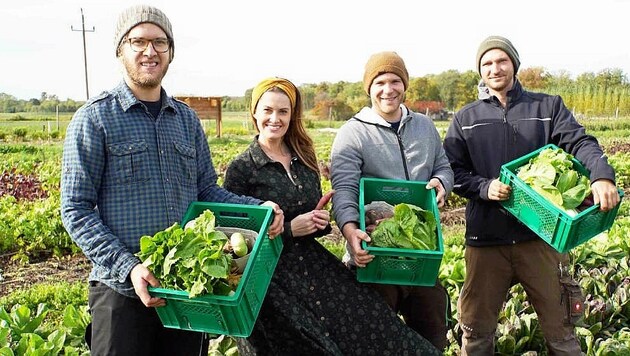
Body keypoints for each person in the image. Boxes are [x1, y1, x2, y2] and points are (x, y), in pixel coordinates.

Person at [60, 5, 283, 356]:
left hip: (187, 291)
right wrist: (129, 266)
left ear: (170, 52)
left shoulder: (186, 120)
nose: (150, 51)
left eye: (160, 42)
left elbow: (207, 190)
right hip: (121, 291)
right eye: (138, 41)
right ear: (121, 50)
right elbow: (75, 209)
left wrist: (261, 208)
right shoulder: (95, 119)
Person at [223, 77, 441, 355]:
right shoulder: (243, 168)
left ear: (292, 115)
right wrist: (289, 229)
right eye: (267, 110)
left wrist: (319, 222)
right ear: (254, 113)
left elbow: (312, 216)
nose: (275, 119)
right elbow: (233, 242)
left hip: (313, 267)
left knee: (378, 328)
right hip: (271, 280)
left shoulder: (302, 157)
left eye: (283, 111)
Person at [443, 35, 621, 355]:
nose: (494, 69)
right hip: (486, 241)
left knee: (562, 332)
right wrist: (484, 187)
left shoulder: (547, 106)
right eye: (487, 63)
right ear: (479, 71)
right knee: (476, 333)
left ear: (514, 64)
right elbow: (451, 170)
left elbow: (581, 143)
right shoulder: (465, 118)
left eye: (501, 61)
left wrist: (602, 176)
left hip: (541, 238)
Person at [330, 51, 455, 351]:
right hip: (376, 255)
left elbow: (443, 166)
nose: (388, 89)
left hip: (420, 254)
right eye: (380, 82)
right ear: (369, 88)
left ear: (405, 85)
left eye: (395, 81)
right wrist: (350, 230)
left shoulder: (424, 126)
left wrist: (442, 183)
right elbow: (344, 188)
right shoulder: (353, 133)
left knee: (433, 333)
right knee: (374, 340)